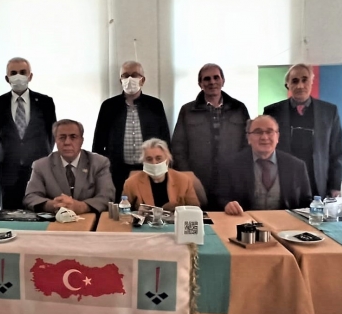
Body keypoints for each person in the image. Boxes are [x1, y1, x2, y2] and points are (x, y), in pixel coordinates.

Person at [171, 63, 250, 210]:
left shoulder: (239, 108)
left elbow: (248, 143)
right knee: (199, 218)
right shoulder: (187, 110)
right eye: (207, 79)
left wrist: (241, 173)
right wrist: (187, 175)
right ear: (200, 84)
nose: (212, 82)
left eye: (216, 77)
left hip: (231, 179)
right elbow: (178, 146)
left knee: (229, 219)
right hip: (198, 179)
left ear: (223, 81)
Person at [92, 61, 171, 200]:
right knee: (119, 206)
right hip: (116, 170)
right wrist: (100, 169)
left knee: (148, 205)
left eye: (134, 75)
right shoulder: (109, 106)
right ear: (120, 80)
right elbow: (98, 141)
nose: (129, 79)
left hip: (149, 168)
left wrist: (165, 165)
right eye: (125, 75)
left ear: (143, 80)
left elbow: (164, 138)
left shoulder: (155, 105)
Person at [263, 63, 342, 198]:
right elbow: (265, 150)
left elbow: (336, 152)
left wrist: (335, 186)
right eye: (295, 81)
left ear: (312, 82)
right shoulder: (272, 112)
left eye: (304, 80)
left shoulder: (329, 112)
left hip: (318, 184)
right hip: (282, 183)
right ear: (288, 85)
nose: (300, 85)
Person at [0, 57, 56, 209]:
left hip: (38, 168)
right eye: (13, 73)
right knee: (9, 214)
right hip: (8, 169)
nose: (18, 76)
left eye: (22, 72)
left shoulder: (45, 102)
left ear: (30, 76)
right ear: (7, 78)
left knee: (39, 210)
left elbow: (51, 135)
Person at [218, 115, 312, 215]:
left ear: (277, 137)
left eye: (269, 131)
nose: (264, 137)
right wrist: (227, 205)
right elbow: (219, 198)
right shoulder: (230, 165)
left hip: (285, 222)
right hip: (244, 222)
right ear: (248, 138)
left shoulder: (297, 166)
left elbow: (306, 203)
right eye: (258, 132)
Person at [23, 119, 115, 213]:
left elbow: (107, 197)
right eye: (62, 137)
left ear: (81, 140)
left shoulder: (99, 163)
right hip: (56, 219)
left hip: (90, 219)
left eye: (73, 137)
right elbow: (31, 197)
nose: (67, 142)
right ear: (55, 140)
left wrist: (81, 207)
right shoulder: (41, 165)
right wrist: (53, 205)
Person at [122, 138, 199, 211]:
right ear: (143, 162)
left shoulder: (184, 180)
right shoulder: (131, 183)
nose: (154, 163)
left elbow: (195, 210)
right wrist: (137, 213)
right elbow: (123, 212)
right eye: (149, 159)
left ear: (167, 160)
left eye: (158, 158)